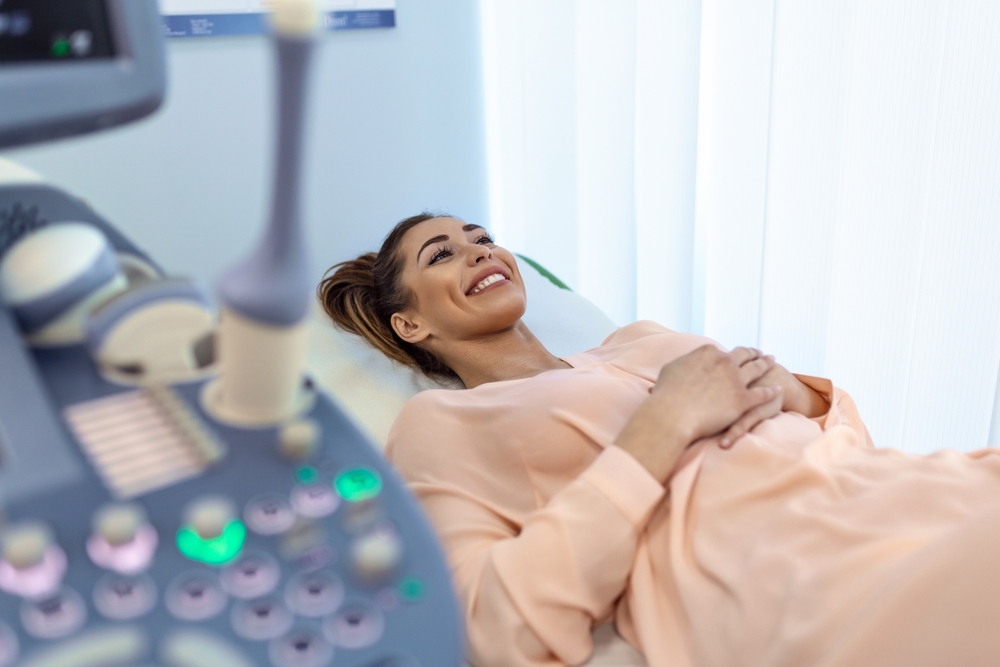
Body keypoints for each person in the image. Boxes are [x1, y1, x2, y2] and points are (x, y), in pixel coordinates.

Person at [319, 213, 1000, 667]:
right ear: (410, 325)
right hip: (795, 569)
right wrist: (662, 424)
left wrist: (792, 392)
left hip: (890, 489)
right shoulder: (440, 425)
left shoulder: (638, 340)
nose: (478, 250)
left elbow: (842, 431)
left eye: (480, 236)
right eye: (443, 254)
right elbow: (494, 628)